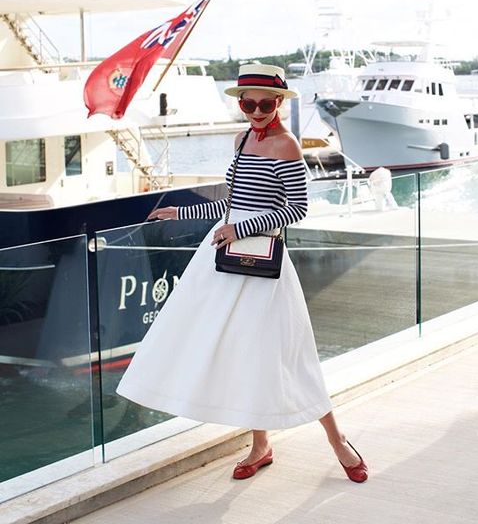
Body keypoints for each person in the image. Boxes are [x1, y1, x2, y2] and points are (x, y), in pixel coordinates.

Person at [115, 63, 368, 483]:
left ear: (279, 103)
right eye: (248, 103)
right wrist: (183, 212)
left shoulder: (287, 146)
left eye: (264, 103)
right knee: (239, 352)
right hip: (224, 260)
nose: (255, 110)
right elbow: (232, 204)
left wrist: (240, 230)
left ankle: (338, 441)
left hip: (263, 262)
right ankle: (261, 446)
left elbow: (297, 209)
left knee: (289, 356)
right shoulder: (242, 138)